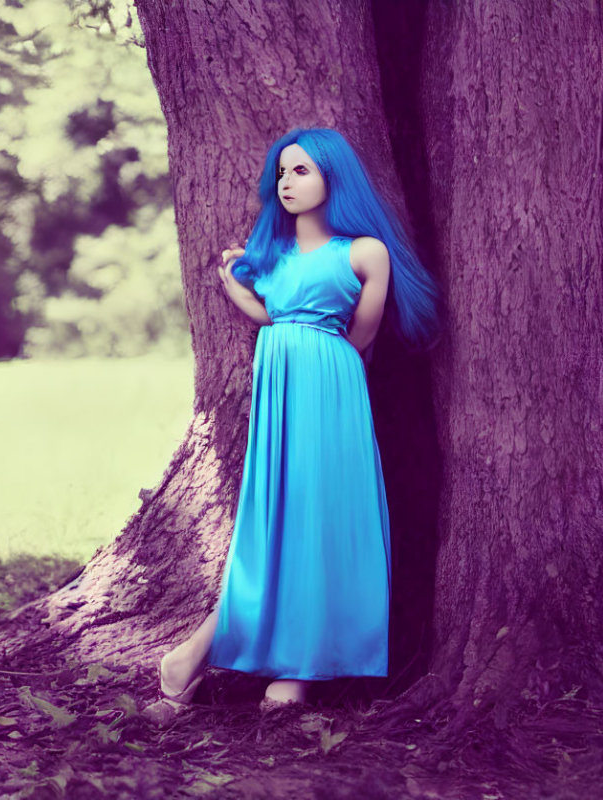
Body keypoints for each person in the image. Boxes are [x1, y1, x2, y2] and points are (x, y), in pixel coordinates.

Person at [144, 128, 440, 722]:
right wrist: (233, 286)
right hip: (279, 389)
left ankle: (287, 672)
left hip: (333, 388)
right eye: (282, 172)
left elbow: (363, 334)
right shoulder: (271, 255)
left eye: (301, 171)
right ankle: (237, 662)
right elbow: (272, 314)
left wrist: (320, 358)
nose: (287, 182)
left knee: (323, 524)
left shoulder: (363, 252)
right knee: (276, 526)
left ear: (334, 177)